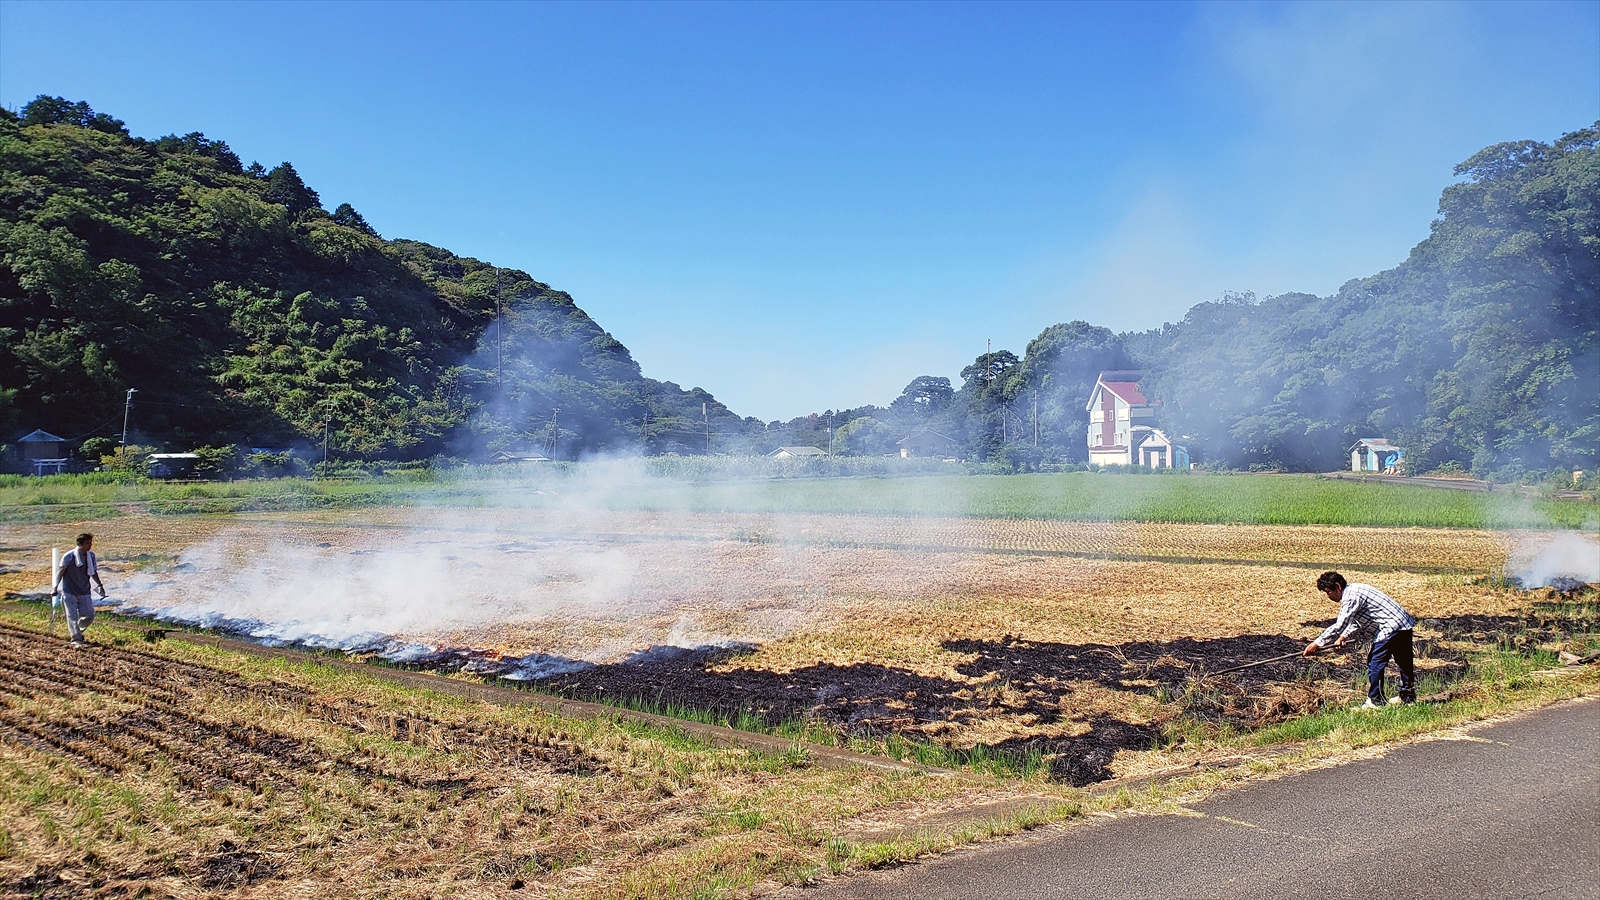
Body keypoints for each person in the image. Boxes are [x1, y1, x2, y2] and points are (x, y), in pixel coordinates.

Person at [1303, 571, 1417, 709]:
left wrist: (1317, 643)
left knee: (1375, 662)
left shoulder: (1350, 597)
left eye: (1328, 592)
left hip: (1391, 626)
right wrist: (1343, 636)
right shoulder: (1356, 589)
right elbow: (1357, 621)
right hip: (1403, 624)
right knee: (1404, 660)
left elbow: (1340, 624)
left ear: (1338, 586)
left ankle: (1376, 701)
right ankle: (1408, 696)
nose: (1328, 596)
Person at [52, 532, 105, 648]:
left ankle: (77, 631)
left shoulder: (91, 556)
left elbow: (93, 572)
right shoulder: (69, 556)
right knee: (72, 617)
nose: (90, 545)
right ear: (79, 544)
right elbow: (60, 572)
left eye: (90, 543)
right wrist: (55, 587)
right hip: (69, 592)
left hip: (84, 591)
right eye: (87, 543)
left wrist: (99, 584)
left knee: (89, 615)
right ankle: (76, 639)